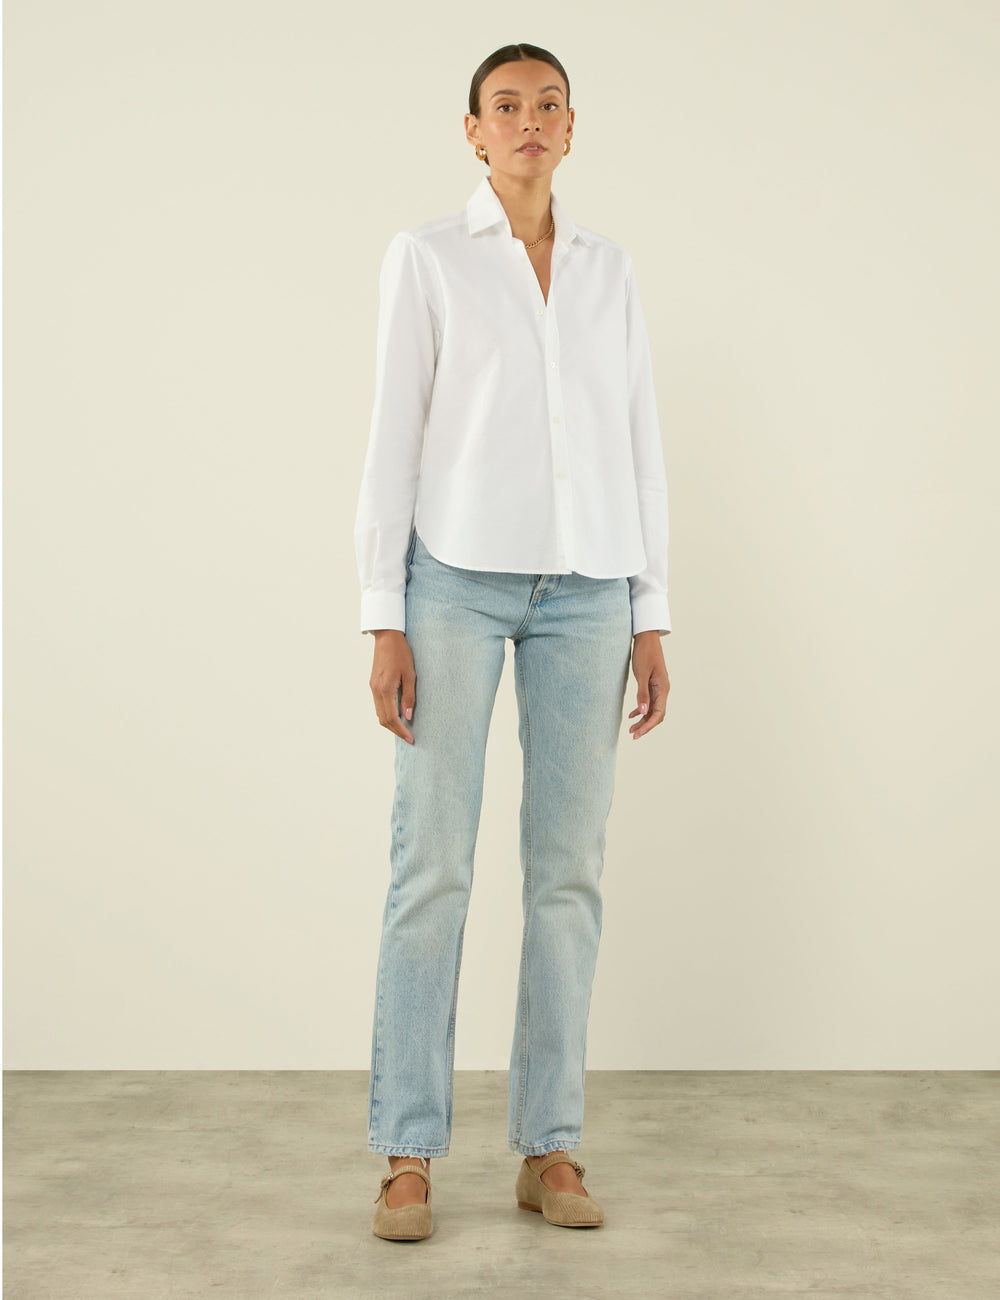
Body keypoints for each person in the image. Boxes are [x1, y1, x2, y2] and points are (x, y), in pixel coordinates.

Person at [354, 42, 672, 1241]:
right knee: (430, 865)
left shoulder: (607, 269)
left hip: (590, 591)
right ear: (473, 131)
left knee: (567, 872)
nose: (528, 120)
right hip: (453, 582)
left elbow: (637, 439)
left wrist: (650, 608)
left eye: (547, 105)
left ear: (571, 128)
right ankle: (405, 1153)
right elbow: (392, 435)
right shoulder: (429, 258)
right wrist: (382, 611)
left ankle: (550, 1146)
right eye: (505, 105)